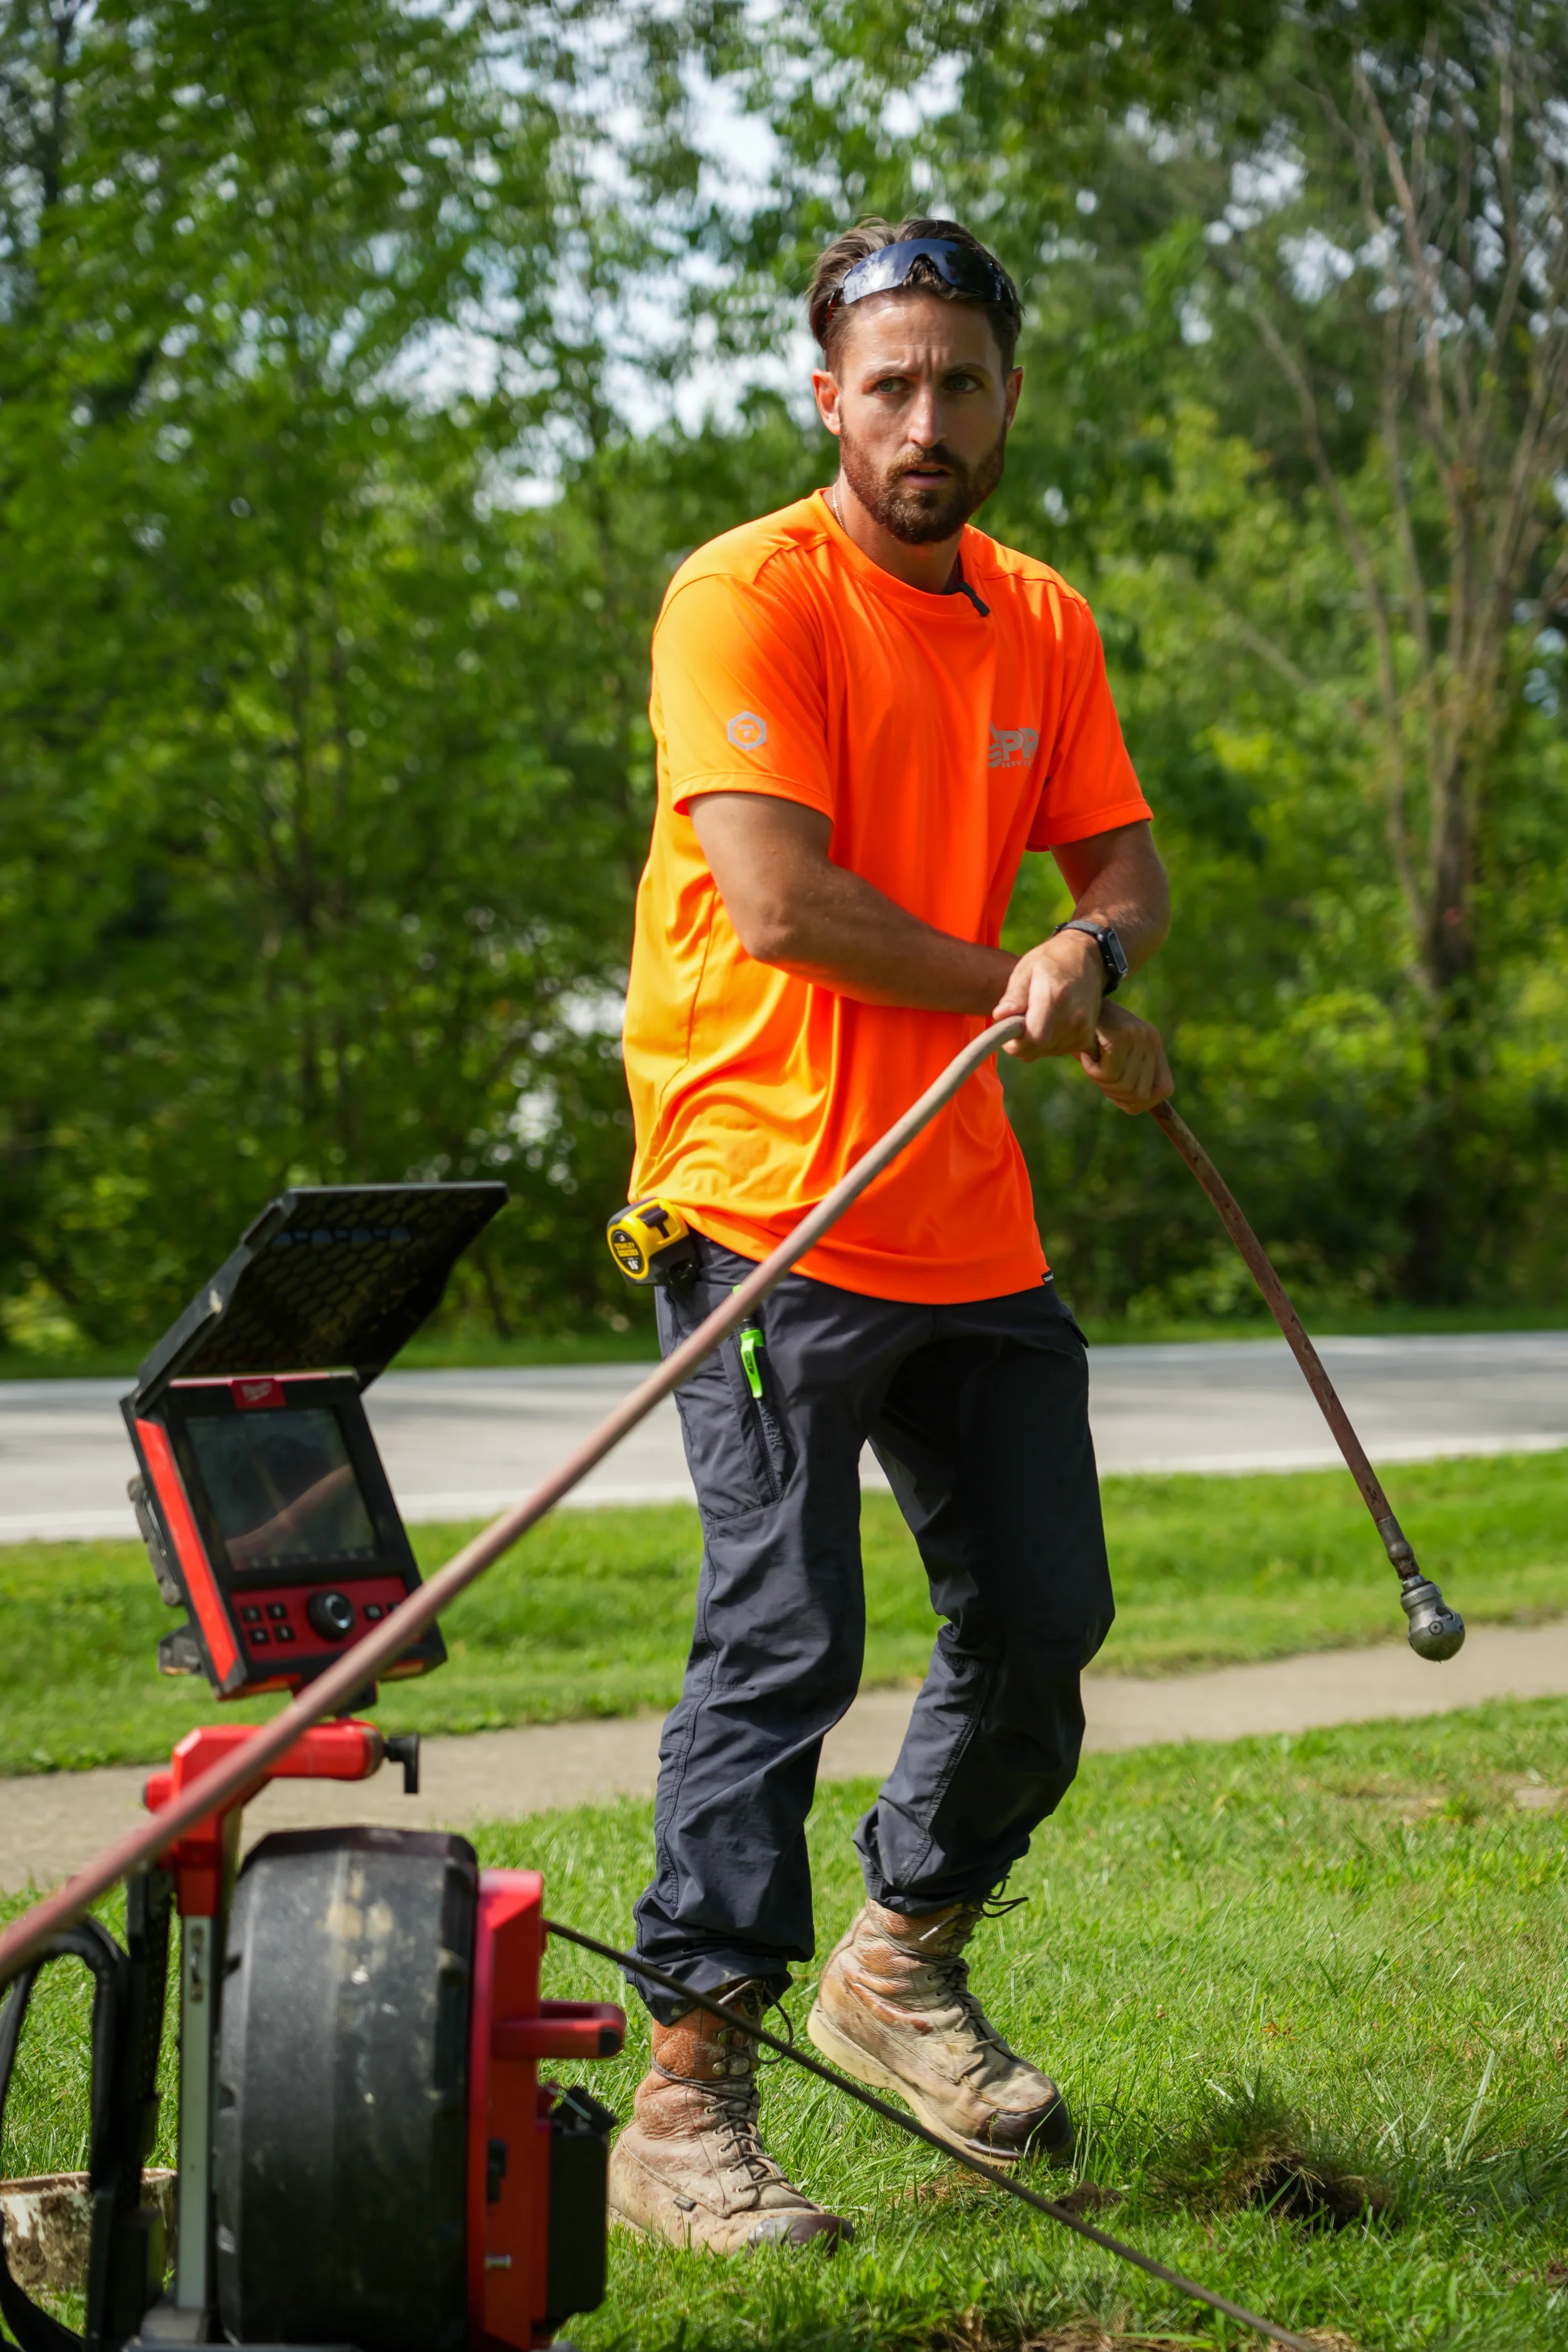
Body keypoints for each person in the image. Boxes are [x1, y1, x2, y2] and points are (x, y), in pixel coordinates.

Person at [609, 215, 1173, 2253]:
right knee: (783, 1640)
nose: (926, 419)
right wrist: (1006, 976)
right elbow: (777, 901)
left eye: (962, 381)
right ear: (822, 391)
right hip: (764, 1194)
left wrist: (1091, 950)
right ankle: (683, 2106)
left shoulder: (1042, 618)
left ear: (1009, 397)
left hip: (963, 1216)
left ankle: (901, 1959)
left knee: (1040, 1614)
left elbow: (1116, 855)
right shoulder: (741, 596)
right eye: (890, 381)